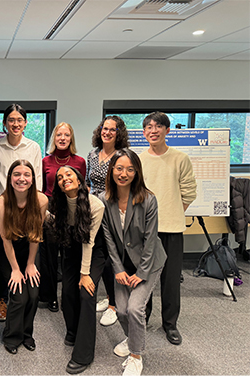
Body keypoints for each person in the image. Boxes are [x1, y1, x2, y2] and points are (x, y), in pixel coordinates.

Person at [100, 148, 167, 376]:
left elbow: (150, 239)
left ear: (137, 172)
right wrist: (118, 269)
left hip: (148, 262)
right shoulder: (104, 200)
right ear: (112, 170)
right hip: (122, 264)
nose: (124, 173)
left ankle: (136, 356)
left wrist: (142, 272)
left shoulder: (148, 200)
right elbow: (108, 237)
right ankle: (132, 338)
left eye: (130, 169)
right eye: (119, 168)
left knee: (135, 308)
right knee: (120, 310)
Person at [139, 112, 197, 345]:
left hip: (172, 229)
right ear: (144, 133)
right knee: (145, 278)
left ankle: (170, 324)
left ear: (167, 131)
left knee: (170, 280)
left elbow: (189, 192)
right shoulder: (139, 159)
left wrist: (173, 211)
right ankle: (143, 319)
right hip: (145, 230)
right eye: (149, 127)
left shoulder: (180, 158)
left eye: (158, 126)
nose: (153, 130)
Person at [46, 166, 105, 375]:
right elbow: (55, 224)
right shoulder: (60, 203)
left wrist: (85, 273)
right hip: (72, 248)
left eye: (68, 174)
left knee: (86, 294)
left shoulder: (95, 204)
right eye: (60, 177)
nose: (64, 179)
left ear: (79, 179)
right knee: (68, 293)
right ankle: (72, 331)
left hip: (93, 252)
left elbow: (89, 241)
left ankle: (84, 354)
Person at [0, 103, 42, 322]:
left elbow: (35, 179)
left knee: (25, 253)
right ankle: (1, 299)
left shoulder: (33, 147)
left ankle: (23, 298)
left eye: (20, 120)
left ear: (26, 123)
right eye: (11, 120)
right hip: (3, 209)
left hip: (26, 208)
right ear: (4, 123)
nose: (15, 124)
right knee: (3, 255)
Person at [0, 160, 48, 354]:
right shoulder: (0, 204)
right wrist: (16, 269)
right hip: (8, 250)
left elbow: (36, 234)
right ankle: (11, 336)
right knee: (18, 295)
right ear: (9, 178)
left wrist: (31, 263)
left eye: (26, 175)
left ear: (33, 179)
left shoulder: (41, 201)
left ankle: (27, 334)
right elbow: (6, 241)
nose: (21, 179)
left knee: (33, 294)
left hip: (30, 249)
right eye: (17, 174)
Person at [86, 116, 130, 326]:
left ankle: (114, 304)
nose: (108, 132)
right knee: (98, 255)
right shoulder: (93, 154)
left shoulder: (121, 156)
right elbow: (87, 181)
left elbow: (125, 183)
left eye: (113, 130)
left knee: (113, 258)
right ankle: (110, 298)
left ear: (119, 132)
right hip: (94, 210)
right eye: (105, 128)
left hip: (112, 209)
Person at [39, 122, 86, 312]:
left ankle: (70, 294)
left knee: (70, 255)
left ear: (71, 138)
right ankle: (50, 296)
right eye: (59, 135)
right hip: (51, 210)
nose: (62, 138)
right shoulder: (45, 161)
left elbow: (81, 188)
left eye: (66, 135)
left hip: (72, 209)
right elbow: (42, 190)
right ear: (54, 138)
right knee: (49, 256)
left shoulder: (80, 161)